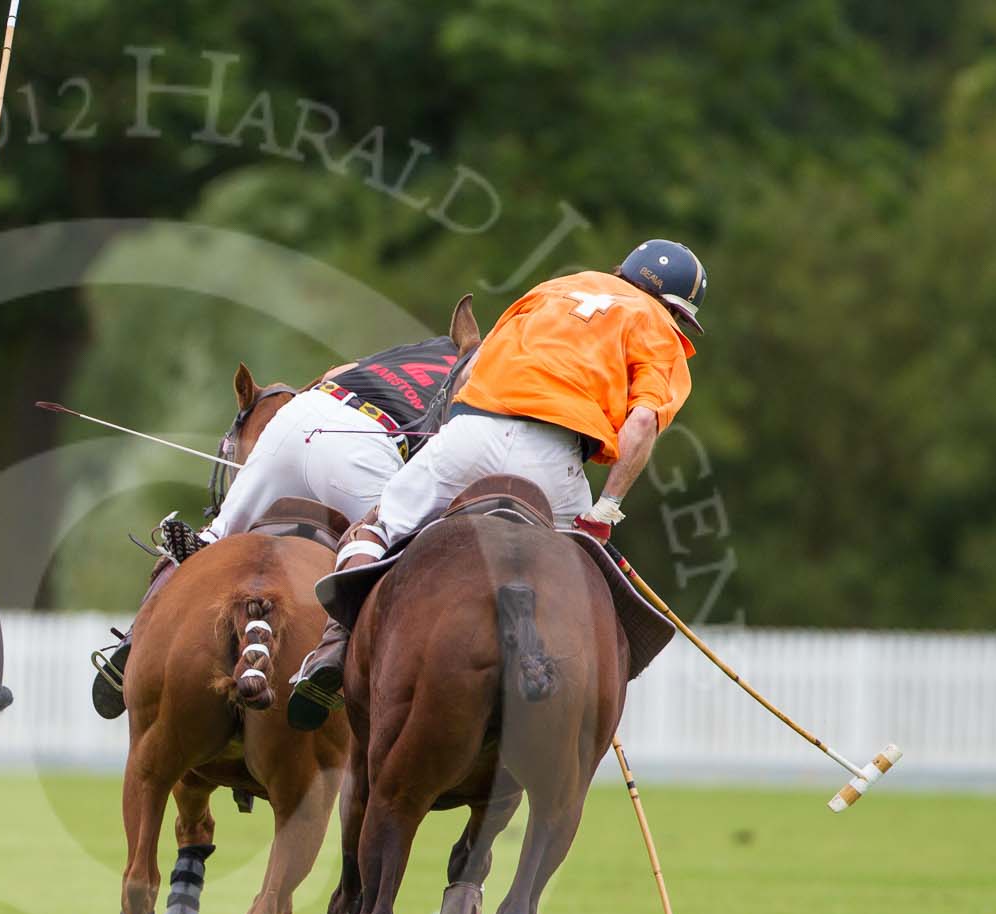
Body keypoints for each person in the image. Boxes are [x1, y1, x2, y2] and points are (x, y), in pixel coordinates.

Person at [285, 239, 706, 730]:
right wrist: (606, 508)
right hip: (553, 459)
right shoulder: (659, 329)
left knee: (376, 527)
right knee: (591, 580)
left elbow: (472, 368)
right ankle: (583, 707)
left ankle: (334, 645)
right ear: (676, 309)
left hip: (470, 432)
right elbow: (641, 424)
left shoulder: (551, 290)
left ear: (622, 271)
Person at [89, 333, 465, 719]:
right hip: (366, 443)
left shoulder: (412, 351)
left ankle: (137, 636)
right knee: (394, 563)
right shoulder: (473, 366)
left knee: (215, 536)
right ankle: (333, 655)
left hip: (301, 416)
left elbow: (336, 373)